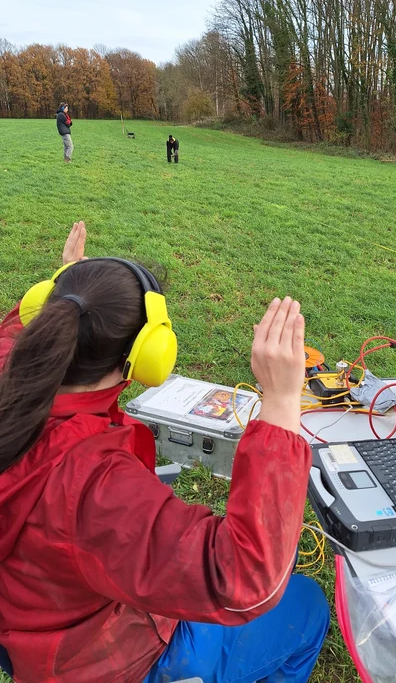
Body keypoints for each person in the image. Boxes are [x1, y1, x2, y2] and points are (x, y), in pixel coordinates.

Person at [0, 222, 329, 683]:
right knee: (306, 606)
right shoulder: (94, 488)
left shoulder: (10, 372)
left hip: (37, 624)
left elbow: (17, 334)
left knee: (286, 555)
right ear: (147, 358)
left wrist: (76, 289)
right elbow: (246, 579)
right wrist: (280, 400)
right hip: (110, 659)